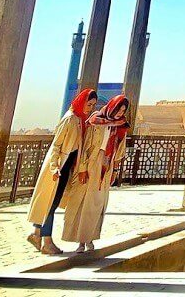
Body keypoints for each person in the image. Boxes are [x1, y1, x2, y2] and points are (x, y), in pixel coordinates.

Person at [27, 88, 97, 255]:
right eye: (89, 104)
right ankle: (47, 242)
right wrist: (54, 166)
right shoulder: (70, 119)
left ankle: (37, 233)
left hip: (66, 168)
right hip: (58, 168)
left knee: (51, 202)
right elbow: (56, 145)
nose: (90, 108)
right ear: (82, 101)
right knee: (50, 204)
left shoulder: (80, 119)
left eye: (93, 105)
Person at [62, 94, 129, 253]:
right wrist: (83, 168)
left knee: (97, 204)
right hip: (90, 164)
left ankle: (90, 238)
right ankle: (79, 241)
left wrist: (115, 170)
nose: (120, 113)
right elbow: (85, 145)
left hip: (106, 166)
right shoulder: (95, 120)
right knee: (82, 202)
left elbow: (120, 149)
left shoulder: (120, 125)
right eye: (119, 109)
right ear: (113, 107)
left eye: (123, 110)